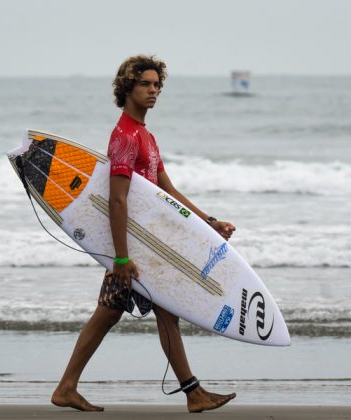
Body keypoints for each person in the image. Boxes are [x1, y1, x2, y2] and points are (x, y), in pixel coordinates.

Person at [51, 55, 237, 413]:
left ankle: (67, 387)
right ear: (128, 89)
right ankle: (192, 393)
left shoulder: (145, 136)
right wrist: (120, 258)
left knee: (115, 313)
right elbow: (117, 201)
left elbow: (166, 189)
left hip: (142, 247)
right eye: (145, 85)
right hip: (132, 249)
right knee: (153, 312)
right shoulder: (123, 137)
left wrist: (208, 221)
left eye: (157, 85)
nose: (154, 91)